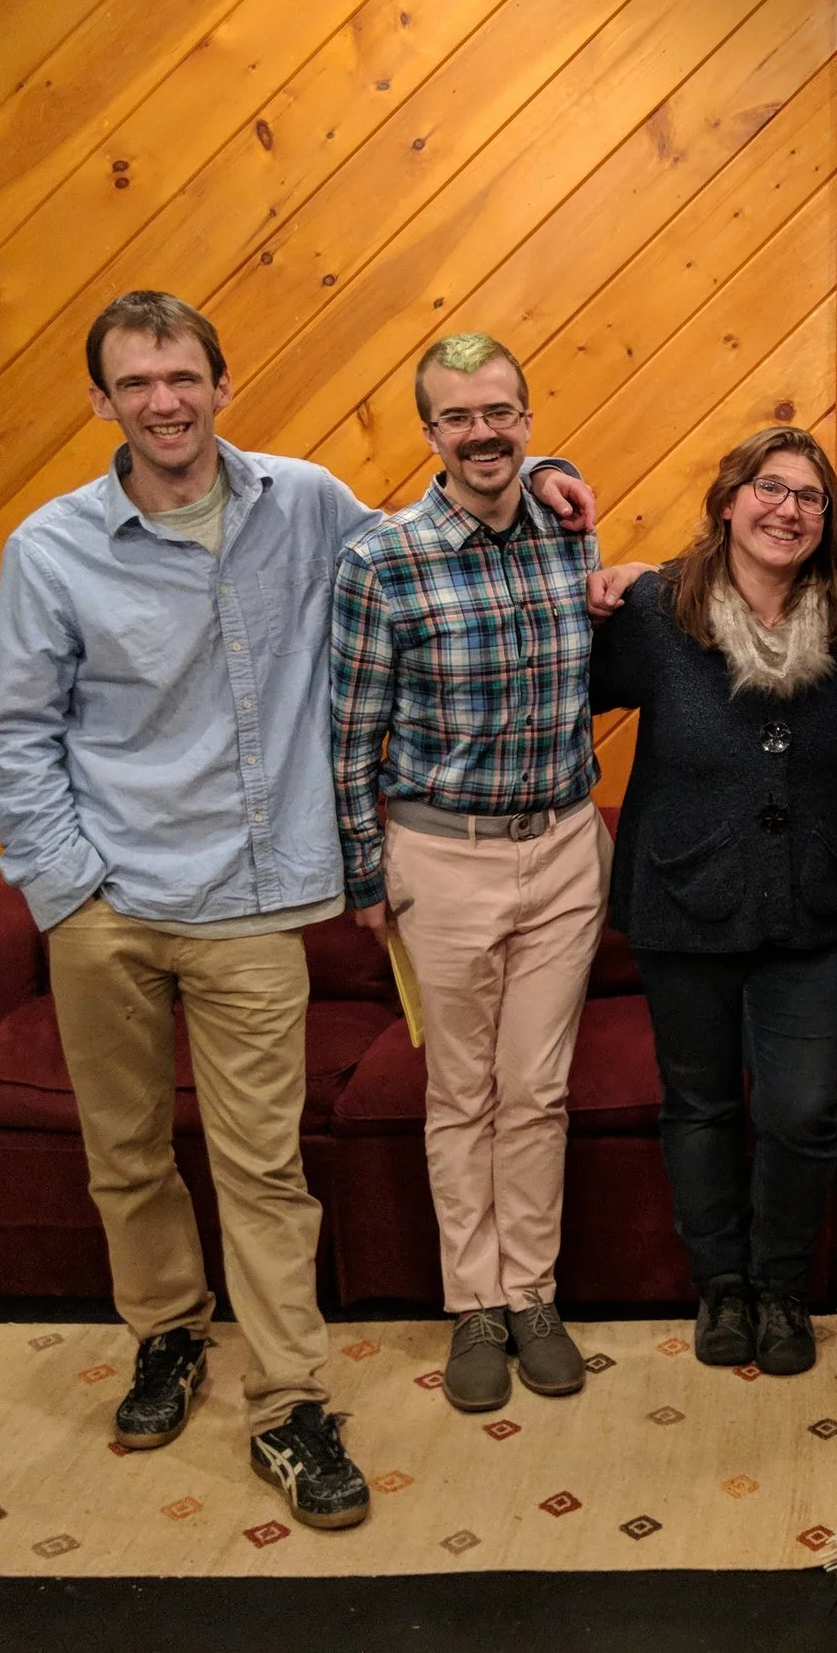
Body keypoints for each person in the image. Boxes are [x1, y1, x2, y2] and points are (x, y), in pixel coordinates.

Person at [0, 291, 591, 1529]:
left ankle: (289, 1405)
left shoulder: (304, 505)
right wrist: (71, 888)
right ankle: (164, 1337)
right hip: (108, 901)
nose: (164, 401)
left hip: (253, 902)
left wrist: (555, 471)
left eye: (183, 377)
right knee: (128, 1155)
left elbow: (456, 514)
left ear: (220, 383)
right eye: (138, 383)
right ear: (104, 401)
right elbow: (17, 732)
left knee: (264, 1167)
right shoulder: (52, 548)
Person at [332, 332, 610, 1415]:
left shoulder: (567, 533)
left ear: (529, 418)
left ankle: (533, 1295)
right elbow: (351, 733)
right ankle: (474, 1308)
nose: (483, 432)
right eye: (458, 417)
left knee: (538, 1088)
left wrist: (560, 483)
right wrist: (365, 875)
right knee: (462, 1090)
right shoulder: (381, 559)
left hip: (564, 847)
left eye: (501, 411)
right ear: (430, 435)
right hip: (439, 856)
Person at [588, 428, 837, 1378]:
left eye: (809, 497)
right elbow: (561, 682)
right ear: (728, 501)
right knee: (703, 1102)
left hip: (812, 896)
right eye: (769, 488)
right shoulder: (654, 608)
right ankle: (720, 1285)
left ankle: (780, 1285)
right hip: (686, 890)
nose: (787, 509)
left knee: (802, 1111)